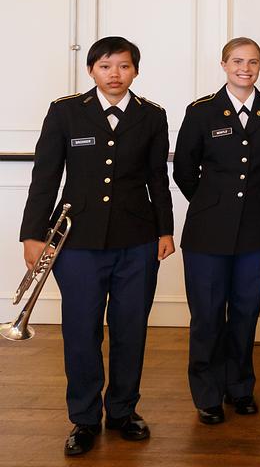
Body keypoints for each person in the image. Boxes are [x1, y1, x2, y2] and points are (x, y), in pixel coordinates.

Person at [20, 36, 174, 457]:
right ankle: (84, 419)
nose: (115, 75)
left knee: (130, 330)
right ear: (91, 70)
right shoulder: (66, 111)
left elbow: (157, 179)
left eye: (123, 66)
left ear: (135, 71)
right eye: (106, 66)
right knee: (81, 333)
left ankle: (123, 412)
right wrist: (32, 234)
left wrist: (165, 230)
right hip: (78, 244)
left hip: (137, 242)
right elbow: (45, 175)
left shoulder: (152, 116)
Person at [174, 37, 260, 424]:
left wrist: (249, 200)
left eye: (253, 62)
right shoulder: (201, 112)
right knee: (208, 316)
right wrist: (214, 202)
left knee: (245, 313)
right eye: (238, 61)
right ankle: (208, 393)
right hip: (207, 231)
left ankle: (240, 387)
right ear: (224, 64)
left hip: (257, 229)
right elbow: (184, 171)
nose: (246, 68)